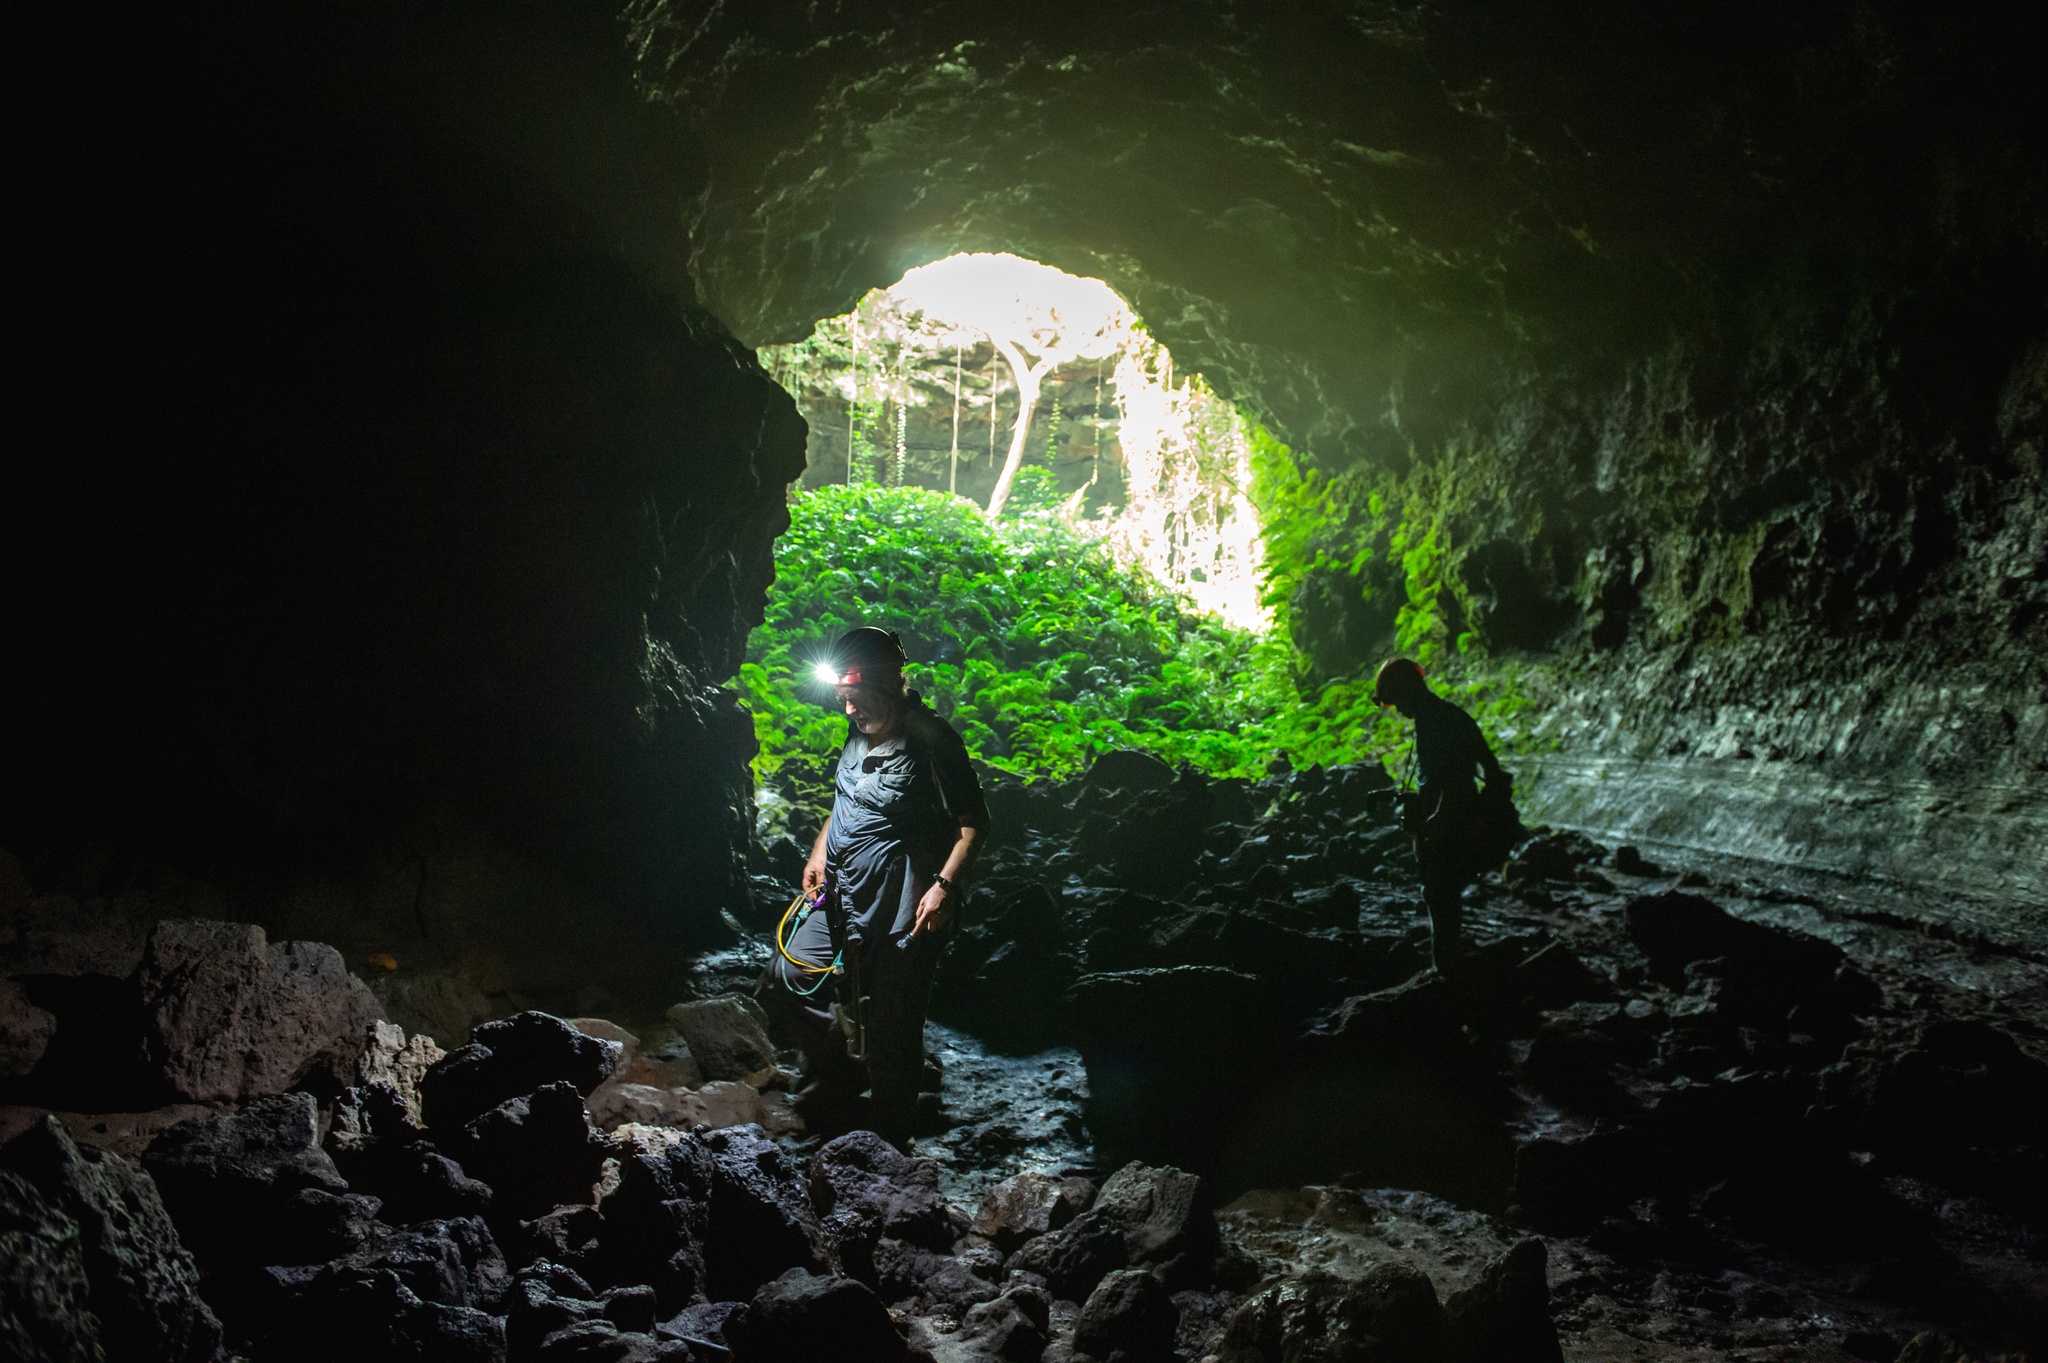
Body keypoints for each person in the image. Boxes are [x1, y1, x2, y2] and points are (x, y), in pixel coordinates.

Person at [761, 626, 988, 1150]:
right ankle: (839, 1078)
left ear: (888, 682)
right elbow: (845, 798)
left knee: (893, 1023)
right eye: (842, 698)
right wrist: (819, 851)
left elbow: (975, 822)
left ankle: (892, 1142)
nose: (848, 710)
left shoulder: (931, 740)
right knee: (789, 973)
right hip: (843, 891)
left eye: (856, 697)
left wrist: (944, 887)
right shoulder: (859, 728)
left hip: (904, 902)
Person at [1373, 657, 1517, 977]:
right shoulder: (1447, 715)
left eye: (1396, 701)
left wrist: (1438, 820)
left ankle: (1447, 972)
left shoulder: (1434, 721)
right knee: (1444, 894)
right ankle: (1449, 966)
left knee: (1440, 893)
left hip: (1452, 822)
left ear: (1407, 689)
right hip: (1459, 816)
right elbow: (1486, 766)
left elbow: (1454, 779)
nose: (1398, 709)